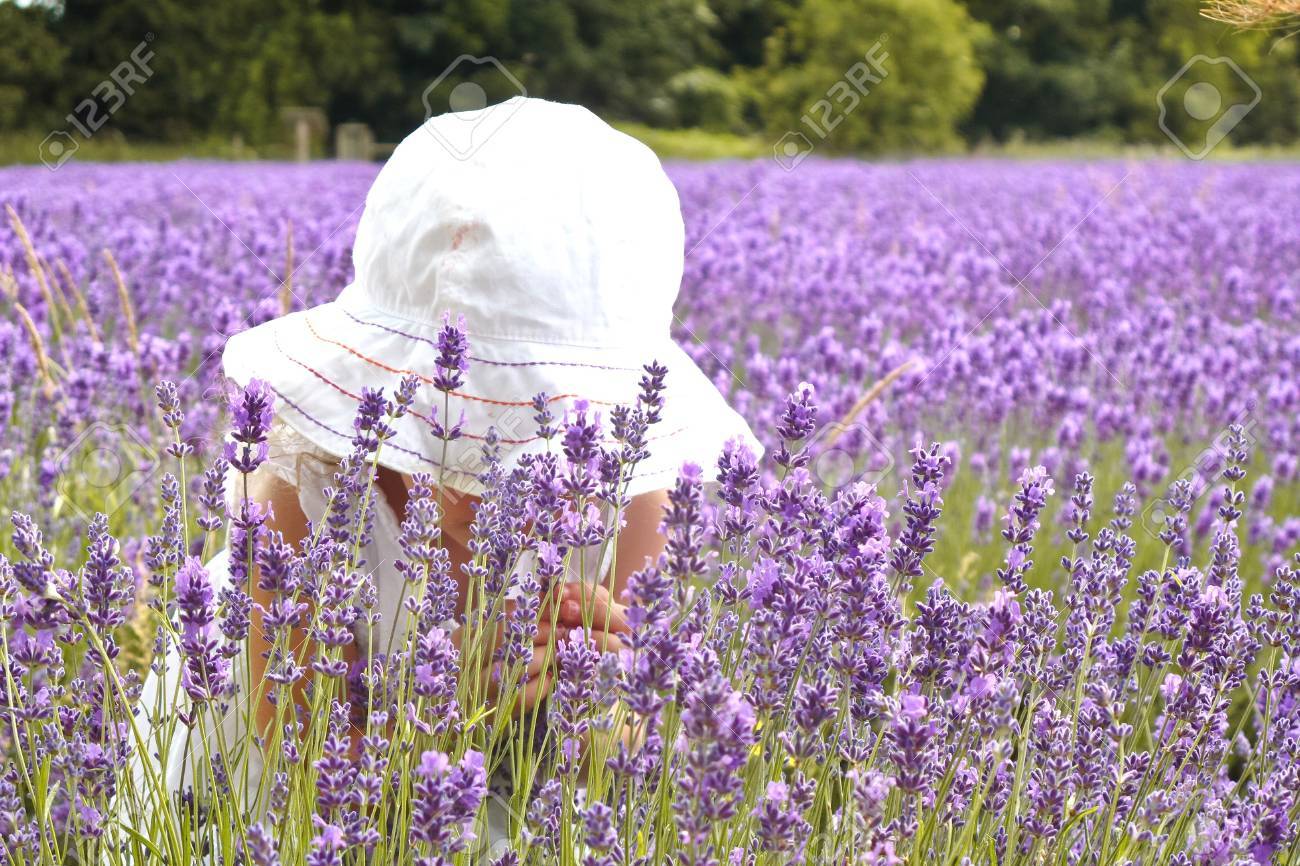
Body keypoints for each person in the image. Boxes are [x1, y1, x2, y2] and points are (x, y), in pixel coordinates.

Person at [121, 96, 762, 853]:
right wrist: (457, 701)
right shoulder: (300, 482)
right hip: (276, 799)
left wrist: (610, 707)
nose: (497, 480)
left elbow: (642, 774)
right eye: (469, 437)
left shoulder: (630, 475)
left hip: (516, 808)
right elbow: (302, 767)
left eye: (537, 440)